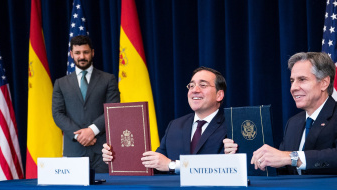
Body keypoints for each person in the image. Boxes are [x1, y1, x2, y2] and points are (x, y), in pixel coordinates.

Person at [224, 52, 337, 175]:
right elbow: (283, 168)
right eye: (292, 81)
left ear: (324, 83)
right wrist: (240, 155)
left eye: (302, 79)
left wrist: (292, 157)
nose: (293, 88)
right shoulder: (294, 122)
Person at [102, 66, 227, 173]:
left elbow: (224, 168)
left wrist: (172, 165)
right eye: (191, 85)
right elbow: (154, 165)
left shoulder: (231, 126)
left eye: (203, 85)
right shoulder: (175, 125)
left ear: (219, 95)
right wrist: (117, 159)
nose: (195, 90)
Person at [52, 35, 120, 173]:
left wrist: (92, 130)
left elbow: (113, 110)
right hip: (74, 151)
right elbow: (57, 114)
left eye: (86, 52)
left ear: (92, 53)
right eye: (77, 53)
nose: (82, 56)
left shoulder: (108, 79)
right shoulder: (61, 83)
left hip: (103, 152)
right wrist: (79, 136)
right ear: (71, 54)